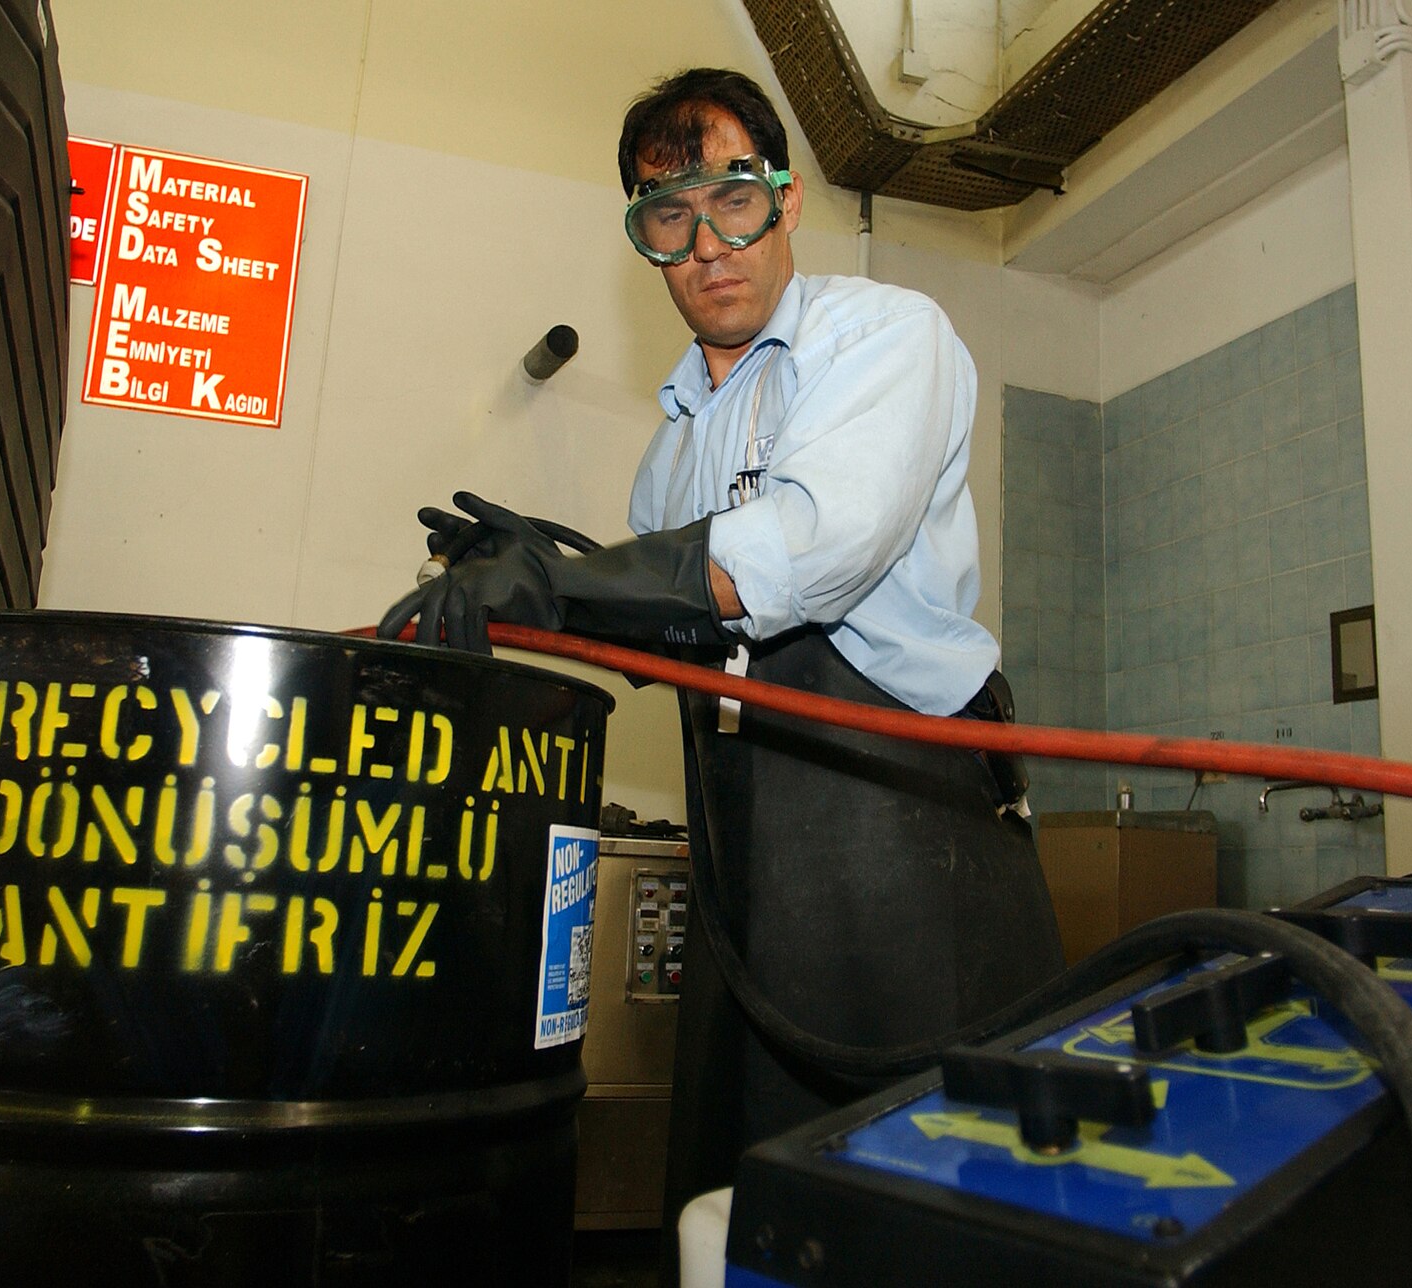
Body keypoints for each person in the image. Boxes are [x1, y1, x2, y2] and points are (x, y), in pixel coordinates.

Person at [387, 67, 1063, 1229]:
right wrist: (537, 582)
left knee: (926, 1185)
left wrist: (569, 577)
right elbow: (684, 641)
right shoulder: (670, 454)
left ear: (786, 199)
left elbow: (806, 551)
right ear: (645, 240)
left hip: (898, 809)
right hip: (745, 825)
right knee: (748, 1175)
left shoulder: (884, 336)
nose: (707, 242)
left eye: (732, 197)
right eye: (668, 214)